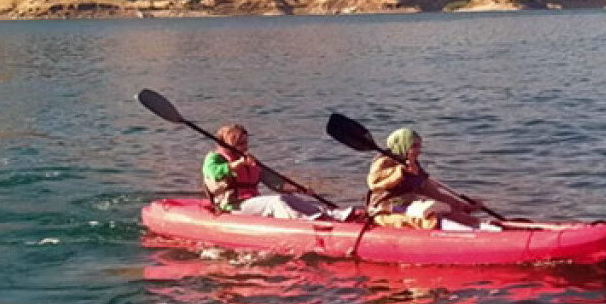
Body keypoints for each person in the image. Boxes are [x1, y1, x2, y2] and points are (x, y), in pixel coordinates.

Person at [203, 124, 349, 220]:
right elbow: (215, 173)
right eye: (241, 144)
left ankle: (330, 215)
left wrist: (299, 189)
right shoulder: (214, 158)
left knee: (290, 199)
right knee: (276, 202)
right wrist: (238, 164)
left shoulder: (248, 160)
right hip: (232, 206)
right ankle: (301, 221)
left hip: (251, 202)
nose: (245, 147)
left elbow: (275, 182)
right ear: (229, 143)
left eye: (246, 143)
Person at [366, 128, 496, 230]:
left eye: (419, 146)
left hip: (407, 205)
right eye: (415, 146)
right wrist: (401, 171)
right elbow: (373, 182)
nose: (419, 150)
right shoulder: (384, 162)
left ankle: (482, 229)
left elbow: (435, 194)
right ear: (403, 145)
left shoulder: (415, 166)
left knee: (449, 210)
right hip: (384, 211)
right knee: (430, 219)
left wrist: (464, 206)